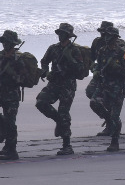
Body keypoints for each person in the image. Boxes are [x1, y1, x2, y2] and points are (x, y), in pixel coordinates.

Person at [37, 23, 90, 156]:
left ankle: (67, 145)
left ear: (68, 35)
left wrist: (69, 58)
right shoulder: (53, 48)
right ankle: (59, 122)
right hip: (54, 83)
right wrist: (45, 72)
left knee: (63, 112)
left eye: (63, 33)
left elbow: (79, 69)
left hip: (68, 85)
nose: (60, 36)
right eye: (59, 33)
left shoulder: (74, 50)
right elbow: (44, 61)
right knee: (41, 102)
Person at [86, 22, 125, 151]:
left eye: (109, 36)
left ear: (115, 37)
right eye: (105, 35)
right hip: (104, 84)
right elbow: (97, 64)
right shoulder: (102, 50)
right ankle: (109, 121)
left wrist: (116, 68)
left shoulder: (122, 52)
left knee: (115, 115)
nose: (106, 38)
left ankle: (115, 140)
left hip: (117, 87)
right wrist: (95, 70)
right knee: (94, 102)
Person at [0, 30, 31, 159]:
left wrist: (11, 74)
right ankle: (3, 128)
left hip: (11, 94)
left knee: (10, 121)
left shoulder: (19, 59)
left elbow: (24, 78)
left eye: (8, 42)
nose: (5, 44)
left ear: (13, 43)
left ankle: (11, 149)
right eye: (4, 42)